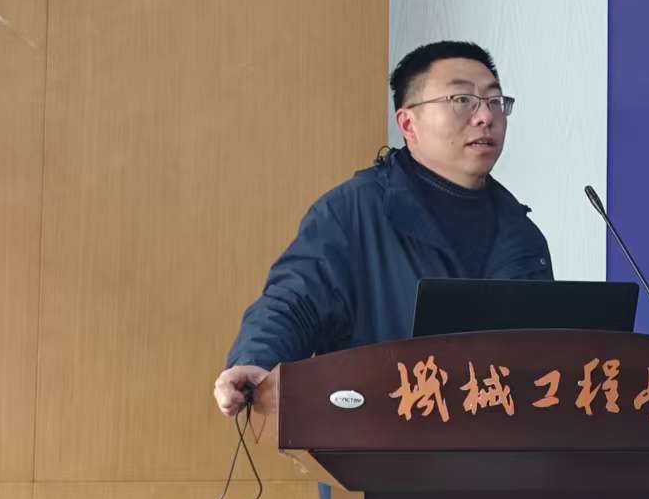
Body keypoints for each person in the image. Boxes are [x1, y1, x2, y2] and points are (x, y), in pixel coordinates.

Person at [212, 40, 553, 417]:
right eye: (462, 100)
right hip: (377, 438)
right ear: (408, 124)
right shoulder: (352, 212)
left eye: (494, 101)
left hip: (496, 446)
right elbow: (295, 301)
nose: (486, 116)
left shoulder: (521, 234)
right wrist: (255, 358)